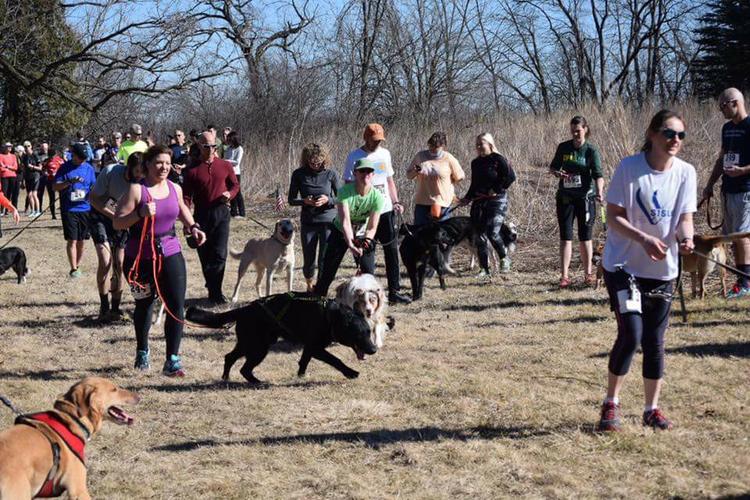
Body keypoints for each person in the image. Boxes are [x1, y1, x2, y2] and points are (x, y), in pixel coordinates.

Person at [597, 109, 696, 432]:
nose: (675, 140)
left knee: (654, 340)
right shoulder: (630, 168)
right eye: (669, 133)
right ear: (652, 134)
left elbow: (684, 218)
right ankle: (611, 403)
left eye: (680, 135)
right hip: (623, 264)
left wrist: (686, 239)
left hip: (662, 269)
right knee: (632, 334)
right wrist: (643, 238)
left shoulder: (686, 173)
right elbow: (613, 217)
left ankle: (651, 409)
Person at [114, 145, 206, 376]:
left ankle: (172, 359)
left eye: (167, 163)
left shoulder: (175, 187)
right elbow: (118, 222)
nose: (164, 167)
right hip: (138, 258)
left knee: (176, 306)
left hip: (171, 252)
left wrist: (193, 227)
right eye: (158, 163)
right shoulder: (137, 190)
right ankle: (142, 351)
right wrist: (139, 214)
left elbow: (182, 209)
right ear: (147, 165)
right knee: (144, 305)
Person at [343, 123, 411, 304]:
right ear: (366, 138)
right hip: (365, 211)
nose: (377, 143)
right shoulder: (354, 156)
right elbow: (348, 184)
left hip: (386, 209)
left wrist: (396, 201)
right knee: (367, 253)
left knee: (391, 251)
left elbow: (390, 181)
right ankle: (367, 294)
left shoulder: (385, 154)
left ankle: (395, 291)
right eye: (374, 140)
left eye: (380, 140)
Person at [700, 88, 750, 298]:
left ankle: (746, 282)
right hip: (727, 189)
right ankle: (740, 280)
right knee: (731, 236)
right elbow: (722, 158)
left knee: (742, 235)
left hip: (745, 190)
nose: (721, 110)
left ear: (734, 103)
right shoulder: (727, 128)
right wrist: (710, 183)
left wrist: (742, 171)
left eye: (723, 106)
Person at [183, 130, 239, 304]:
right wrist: (187, 222)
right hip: (201, 215)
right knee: (205, 254)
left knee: (220, 254)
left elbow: (235, 185)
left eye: (214, 145)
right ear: (199, 145)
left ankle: (216, 292)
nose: (211, 149)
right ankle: (212, 288)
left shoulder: (225, 165)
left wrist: (229, 194)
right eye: (207, 146)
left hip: (221, 213)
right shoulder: (192, 171)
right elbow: (186, 197)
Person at [549, 116, 605, 288]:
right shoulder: (563, 147)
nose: (575, 133)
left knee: (585, 238)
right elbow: (553, 167)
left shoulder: (591, 150)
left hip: (585, 198)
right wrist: (558, 173)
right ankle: (564, 276)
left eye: (578, 130)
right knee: (566, 238)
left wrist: (600, 192)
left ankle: (588, 274)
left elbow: (598, 175)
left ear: (585, 130)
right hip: (566, 198)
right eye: (572, 130)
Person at [314, 159, 383, 296]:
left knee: (368, 274)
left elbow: (372, 227)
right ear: (355, 173)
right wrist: (351, 244)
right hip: (340, 232)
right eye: (362, 171)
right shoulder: (344, 192)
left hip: (363, 235)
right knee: (327, 272)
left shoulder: (377, 197)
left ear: (373, 175)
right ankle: (318, 301)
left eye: (369, 171)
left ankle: (366, 306)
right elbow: (345, 221)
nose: (366, 174)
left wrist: (366, 242)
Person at [90, 153, 145, 321]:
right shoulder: (110, 171)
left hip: (122, 222)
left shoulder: (142, 182)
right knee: (105, 261)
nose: (139, 176)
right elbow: (93, 198)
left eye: (142, 172)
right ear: (128, 167)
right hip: (101, 217)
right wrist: (113, 215)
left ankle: (115, 307)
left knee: (120, 264)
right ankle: (104, 305)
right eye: (136, 171)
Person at [460, 133, 516, 278]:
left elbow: (510, 177)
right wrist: (467, 198)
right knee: (479, 236)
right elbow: (474, 184)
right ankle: (484, 269)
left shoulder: (498, 159)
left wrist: (496, 189)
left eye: (481, 143)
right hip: (479, 201)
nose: (479, 147)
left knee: (492, 232)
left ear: (490, 144)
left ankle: (504, 258)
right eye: (477, 144)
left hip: (497, 200)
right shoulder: (475, 163)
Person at [288, 143, 341, 291]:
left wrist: (328, 200)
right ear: (306, 159)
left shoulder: (331, 174)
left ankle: (321, 288)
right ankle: (309, 285)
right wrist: (304, 201)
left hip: (328, 222)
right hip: (309, 222)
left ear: (324, 160)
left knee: (324, 258)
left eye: (318, 161)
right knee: (309, 258)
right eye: (312, 161)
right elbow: (291, 200)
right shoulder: (298, 174)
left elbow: (342, 197)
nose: (315, 164)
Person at [54, 143, 97, 278]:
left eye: (85, 158)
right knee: (72, 240)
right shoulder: (64, 168)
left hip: (85, 208)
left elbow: (93, 186)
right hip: (69, 209)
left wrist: (90, 194)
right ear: (74, 155)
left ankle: (77, 265)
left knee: (81, 240)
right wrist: (69, 182)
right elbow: (55, 186)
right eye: (81, 158)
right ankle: (73, 269)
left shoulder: (89, 168)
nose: (83, 160)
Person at [406, 131, 464, 225]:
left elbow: (460, 177)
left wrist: (450, 181)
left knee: (441, 234)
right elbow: (409, 175)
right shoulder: (420, 156)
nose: (432, 148)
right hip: (422, 202)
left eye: (436, 147)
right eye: (431, 145)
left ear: (443, 146)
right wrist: (416, 171)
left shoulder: (448, 158)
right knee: (420, 233)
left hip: (442, 203)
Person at [224, 131, 246, 218]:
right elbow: (226, 158)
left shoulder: (239, 149)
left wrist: (226, 161)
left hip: (236, 173)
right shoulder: (228, 149)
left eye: (230, 138)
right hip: (228, 172)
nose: (228, 140)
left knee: (237, 192)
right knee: (231, 191)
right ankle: (233, 212)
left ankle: (242, 212)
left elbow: (237, 162)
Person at [40, 147, 63, 219]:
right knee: (52, 197)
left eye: (52, 156)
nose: (51, 157)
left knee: (62, 197)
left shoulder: (59, 160)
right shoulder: (46, 161)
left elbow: (64, 169)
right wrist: (46, 173)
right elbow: (43, 170)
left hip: (59, 181)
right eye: (50, 156)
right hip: (50, 181)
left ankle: (63, 213)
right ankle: (53, 215)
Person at [21, 141, 42, 216]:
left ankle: (38, 211)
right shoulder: (24, 156)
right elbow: (23, 168)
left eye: (28, 146)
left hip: (35, 176)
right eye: (25, 146)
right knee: (29, 195)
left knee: (34, 194)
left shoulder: (35, 155)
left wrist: (32, 167)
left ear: (31, 146)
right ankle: (32, 211)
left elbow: (40, 168)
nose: (27, 148)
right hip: (27, 176)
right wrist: (22, 180)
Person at [0, 142, 19, 216]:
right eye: (8, 146)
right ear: (4, 147)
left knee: (10, 193)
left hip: (13, 176)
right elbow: (1, 167)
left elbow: (15, 167)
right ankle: (2, 210)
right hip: (4, 176)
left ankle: (8, 209)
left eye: (10, 146)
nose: (9, 148)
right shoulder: (1, 156)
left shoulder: (14, 156)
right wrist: (9, 168)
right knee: (3, 193)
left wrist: (7, 167)